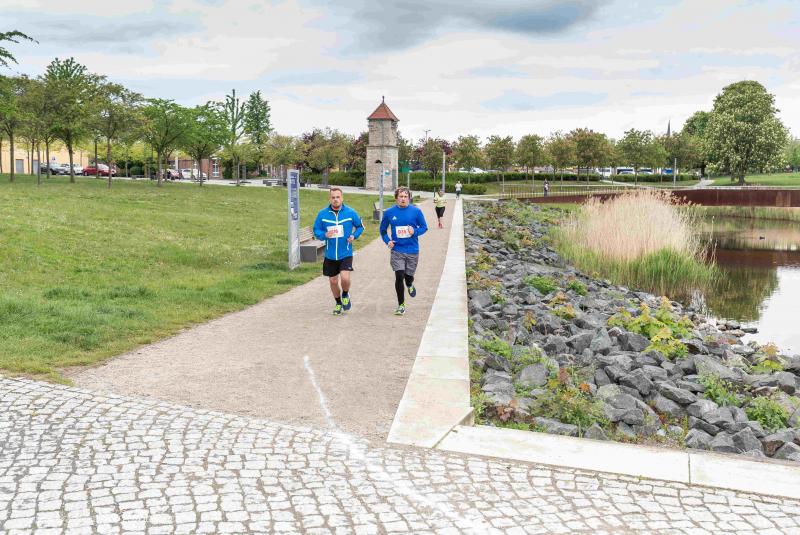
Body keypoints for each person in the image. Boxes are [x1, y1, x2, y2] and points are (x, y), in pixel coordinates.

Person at [313, 187, 364, 315]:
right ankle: (338, 303)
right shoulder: (322, 214)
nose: (335, 199)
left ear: (342, 198)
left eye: (338, 197)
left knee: (345, 278)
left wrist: (354, 236)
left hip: (345, 252)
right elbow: (316, 230)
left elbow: (360, 226)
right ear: (329, 199)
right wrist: (324, 235)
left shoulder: (350, 212)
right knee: (333, 281)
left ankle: (345, 294)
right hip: (330, 254)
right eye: (333, 197)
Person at [379, 187, 428, 316]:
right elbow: (383, 230)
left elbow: (424, 227)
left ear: (409, 198)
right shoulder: (389, 212)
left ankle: (410, 284)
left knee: (408, 277)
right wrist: (387, 241)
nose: (403, 199)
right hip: (397, 250)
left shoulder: (416, 211)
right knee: (399, 276)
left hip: (412, 249)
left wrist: (414, 231)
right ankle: (401, 305)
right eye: (401, 196)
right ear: (396, 198)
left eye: (405, 196)